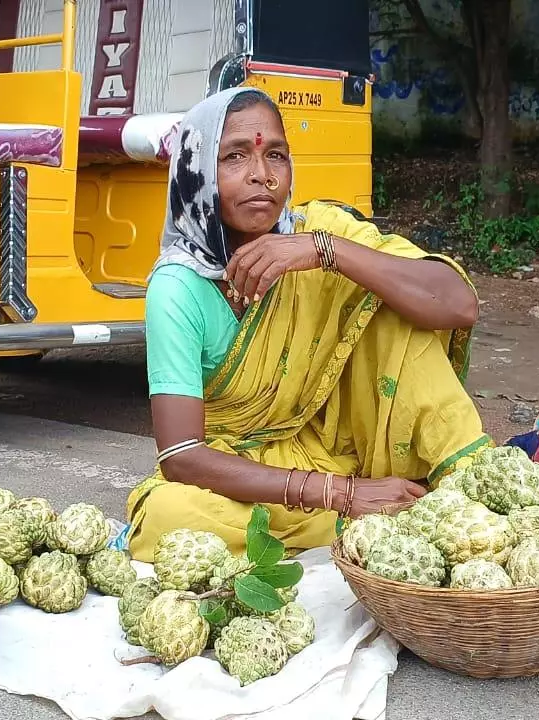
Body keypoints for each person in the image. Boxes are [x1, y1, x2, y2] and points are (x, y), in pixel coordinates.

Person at [123, 86, 492, 563]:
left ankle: (468, 491)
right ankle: (379, 513)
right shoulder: (178, 287)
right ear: (196, 173)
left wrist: (325, 252)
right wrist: (337, 493)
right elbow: (181, 457)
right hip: (244, 468)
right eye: (235, 156)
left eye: (276, 155)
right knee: (168, 516)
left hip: (344, 448)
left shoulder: (319, 231)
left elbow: (457, 304)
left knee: (395, 310)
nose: (262, 175)